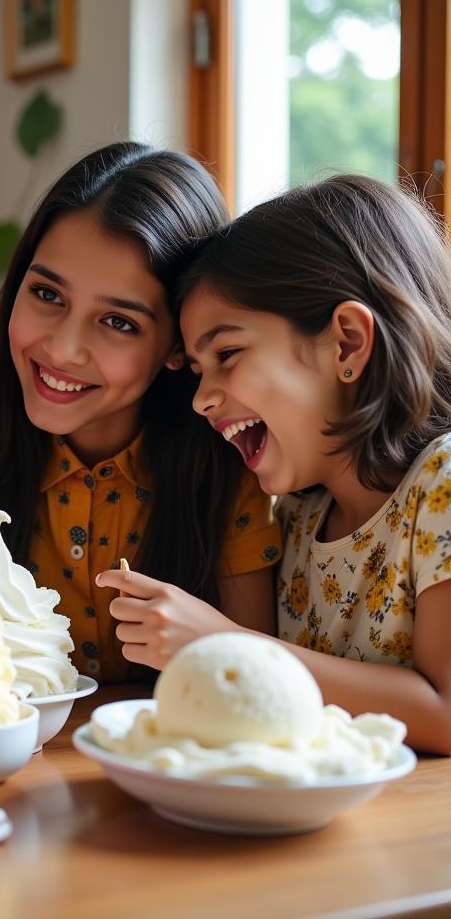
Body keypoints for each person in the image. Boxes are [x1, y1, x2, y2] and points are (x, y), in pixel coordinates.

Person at [106, 175, 451, 753]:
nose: (201, 398)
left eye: (227, 354)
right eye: (196, 370)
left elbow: (445, 712)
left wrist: (229, 644)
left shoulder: (440, 486)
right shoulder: (294, 516)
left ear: (346, 342)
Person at [0, 142, 281, 685]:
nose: (64, 349)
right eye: (47, 293)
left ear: (178, 345)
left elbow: (253, 685)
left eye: (118, 322)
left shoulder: (228, 466)